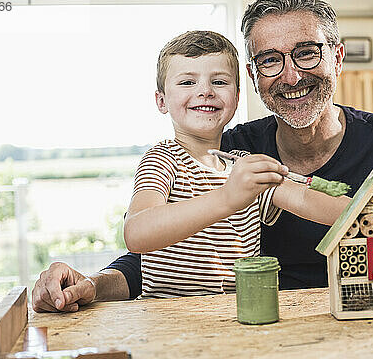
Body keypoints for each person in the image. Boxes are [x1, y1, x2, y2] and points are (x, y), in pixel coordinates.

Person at [32, 0, 373, 313]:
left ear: (336, 56)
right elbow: (157, 251)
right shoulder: (222, 154)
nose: (291, 75)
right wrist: (92, 285)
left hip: (355, 326)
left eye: (306, 52)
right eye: (269, 60)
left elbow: (337, 209)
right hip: (227, 326)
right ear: (256, 77)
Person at [123, 30, 349, 298]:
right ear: (162, 101)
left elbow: (305, 199)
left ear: (237, 98)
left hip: (236, 316)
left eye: (219, 82)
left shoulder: (243, 166)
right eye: (187, 83)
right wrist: (227, 199)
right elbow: (136, 233)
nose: (205, 91)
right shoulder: (162, 159)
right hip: (168, 318)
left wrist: (368, 212)